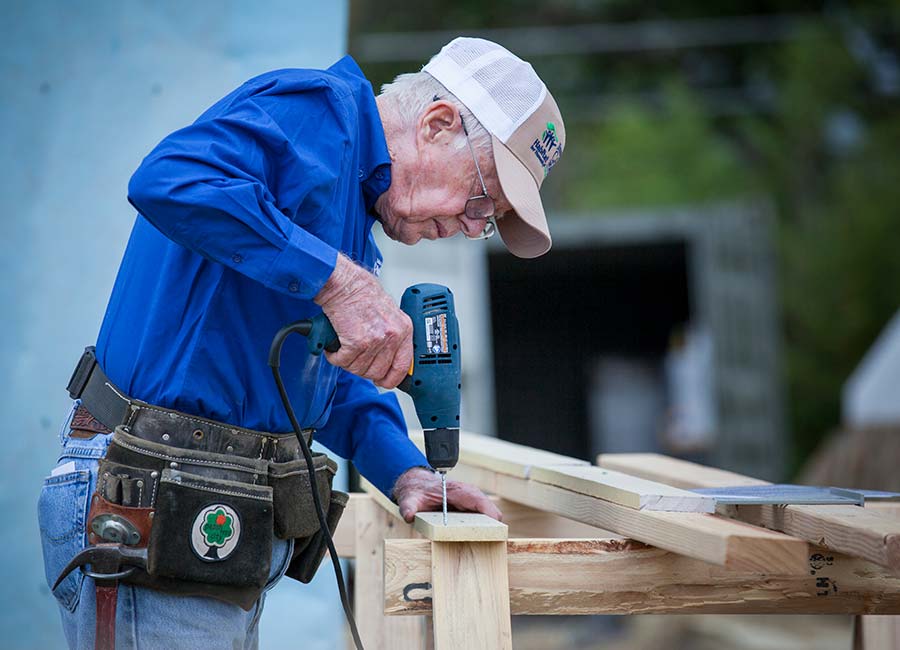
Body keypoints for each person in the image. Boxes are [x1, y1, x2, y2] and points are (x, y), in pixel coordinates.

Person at [37, 37, 565, 649]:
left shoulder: (352, 224)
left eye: (490, 222)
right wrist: (338, 281)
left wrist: (404, 470)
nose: (475, 227)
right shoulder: (320, 114)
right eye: (483, 200)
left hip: (205, 515)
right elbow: (170, 177)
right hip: (148, 492)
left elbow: (325, 380)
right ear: (438, 124)